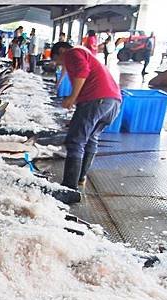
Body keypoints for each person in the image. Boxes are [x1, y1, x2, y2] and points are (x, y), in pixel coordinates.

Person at [51, 41, 121, 190]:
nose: (60, 63)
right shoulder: (82, 53)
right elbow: (68, 70)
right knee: (91, 138)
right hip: (113, 102)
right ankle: (80, 178)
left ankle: (69, 187)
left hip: (96, 100)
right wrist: (58, 85)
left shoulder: (72, 53)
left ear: (62, 50)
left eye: (58, 60)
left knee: (75, 141)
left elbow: (82, 71)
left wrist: (72, 97)